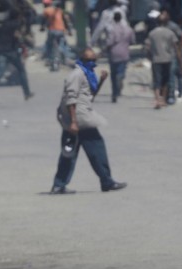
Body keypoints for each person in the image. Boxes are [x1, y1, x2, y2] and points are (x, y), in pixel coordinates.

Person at [51, 48, 127, 194]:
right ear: (83, 60)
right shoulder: (77, 74)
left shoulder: (87, 74)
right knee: (96, 150)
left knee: (69, 153)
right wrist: (73, 122)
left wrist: (101, 81)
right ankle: (106, 181)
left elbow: (89, 97)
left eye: (94, 60)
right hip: (79, 120)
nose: (93, 63)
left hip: (79, 118)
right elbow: (70, 99)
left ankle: (59, 185)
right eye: (90, 61)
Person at [0, 7, 34, 101]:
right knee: (21, 70)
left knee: (1, 70)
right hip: (12, 52)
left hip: (1, 51)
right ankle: (27, 93)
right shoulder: (16, 25)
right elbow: (18, 36)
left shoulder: (1, 26)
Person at [145, 13, 182, 109]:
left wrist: (150, 57)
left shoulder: (152, 33)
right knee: (166, 80)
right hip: (168, 59)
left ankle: (157, 99)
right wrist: (180, 61)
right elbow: (176, 48)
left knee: (156, 81)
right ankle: (163, 100)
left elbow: (147, 48)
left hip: (156, 60)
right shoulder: (170, 33)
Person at [105, 11, 134, 103]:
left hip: (114, 54)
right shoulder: (128, 29)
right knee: (121, 71)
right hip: (124, 54)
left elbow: (109, 42)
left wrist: (105, 48)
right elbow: (133, 41)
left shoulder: (112, 30)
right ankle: (120, 78)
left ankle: (114, 93)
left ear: (114, 18)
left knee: (113, 75)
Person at [41, 0, 71, 72]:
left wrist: (42, 27)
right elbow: (65, 20)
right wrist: (69, 30)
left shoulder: (46, 10)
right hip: (61, 31)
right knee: (63, 45)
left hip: (52, 31)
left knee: (49, 45)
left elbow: (43, 21)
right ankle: (65, 58)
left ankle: (49, 59)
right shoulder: (60, 10)